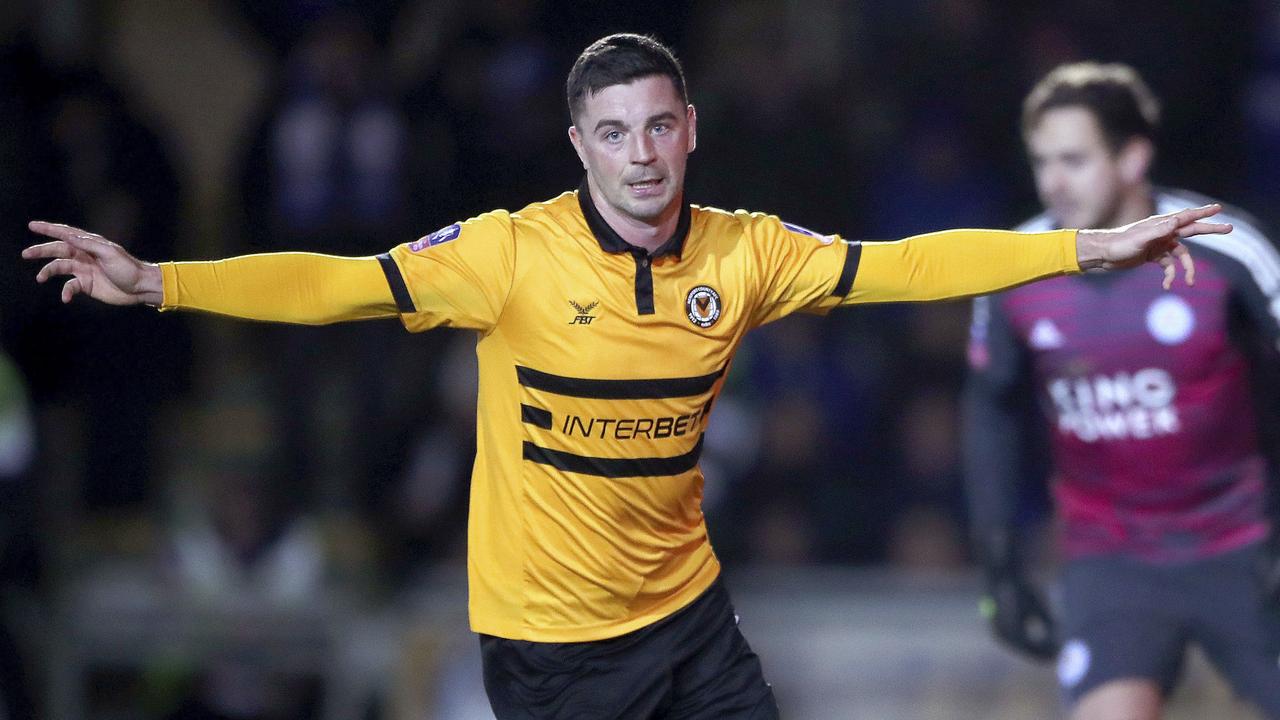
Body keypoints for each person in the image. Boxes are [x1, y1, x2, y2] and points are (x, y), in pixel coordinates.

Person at [26, 35, 1222, 720]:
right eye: (613, 133)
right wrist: (159, 282)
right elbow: (335, 281)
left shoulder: (746, 252)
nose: (640, 156)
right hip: (547, 649)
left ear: (689, 129)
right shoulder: (507, 255)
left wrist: (1083, 245)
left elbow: (907, 266)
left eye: (658, 128)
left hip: (689, 621)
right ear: (577, 146)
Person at [963, 62, 1280, 720]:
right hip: (1111, 563)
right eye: (1041, 161)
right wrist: (999, 564)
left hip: (1246, 548)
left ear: (1133, 157)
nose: (1053, 181)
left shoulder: (1227, 249)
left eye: (1074, 159)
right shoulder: (1015, 268)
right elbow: (989, 410)